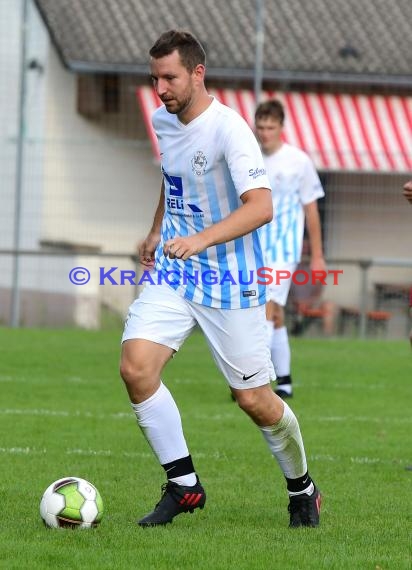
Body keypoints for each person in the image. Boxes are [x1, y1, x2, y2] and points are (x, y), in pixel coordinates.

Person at [119, 30, 321, 528]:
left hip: (231, 281)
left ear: (197, 73)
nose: (161, 88)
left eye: (169, 77)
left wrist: (202, 239)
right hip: (175, 272)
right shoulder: (162, 120)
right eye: (155, 78)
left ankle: (302, 487)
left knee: (253, 400)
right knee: (136, 368)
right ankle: (184, 485)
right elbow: (173, 180)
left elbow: (263, 207)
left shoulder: (230, 130)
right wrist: (155, 230)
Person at [255, 100, 326, 398]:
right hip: (253, 248)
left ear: (282, 128)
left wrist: (318, 257)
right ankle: (283, 380)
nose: (265, 133)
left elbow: (311, 210)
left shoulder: (298, 161)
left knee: (265, 309)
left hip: (284, 251)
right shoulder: (248, 158)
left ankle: (255, 381)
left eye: (271, 127)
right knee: (275, 314)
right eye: (260, 127)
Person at [289, 238, 337, 336]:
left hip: (311, 303)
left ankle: (327, 338)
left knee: (329, 306)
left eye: (307, 247)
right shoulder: (290, 266)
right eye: (303, 247)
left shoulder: (315, 267)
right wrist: (296, 302)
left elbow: (318, 292)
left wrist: (309, 302)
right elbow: (285, 290)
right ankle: (293, 332)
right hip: (291, 303)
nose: (305, 250)